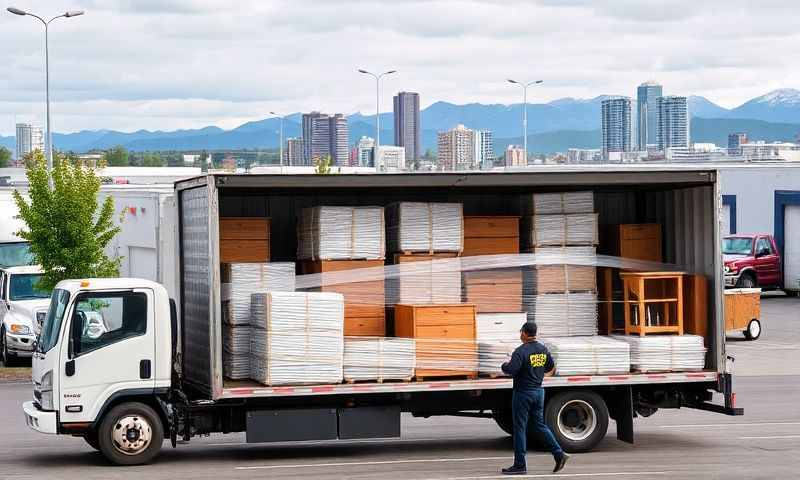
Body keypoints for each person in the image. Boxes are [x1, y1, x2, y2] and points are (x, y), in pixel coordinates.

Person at [500, 321, 569, 475]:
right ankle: (559, 454)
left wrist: (503, 365)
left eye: (520, 332)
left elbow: (511, 370)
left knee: (520, 428)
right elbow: (551, 367)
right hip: (538, 392)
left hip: (523, 394)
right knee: (539, 426)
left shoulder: (520, 351)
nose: (520, 334)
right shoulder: (543, 349)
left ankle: (520, 465)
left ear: (524, 333)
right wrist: (539, 377)